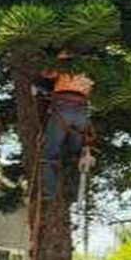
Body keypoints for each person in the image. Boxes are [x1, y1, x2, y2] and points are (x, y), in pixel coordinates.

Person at [37, 51, 93, 200]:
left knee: (49, 154)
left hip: (63, 109)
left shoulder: (65, 67)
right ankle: (72, 192)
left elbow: (46, 73)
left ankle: (50, 192)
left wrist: (59, 58)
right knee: (75, 155)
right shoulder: (91, 69)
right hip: (81, 113)